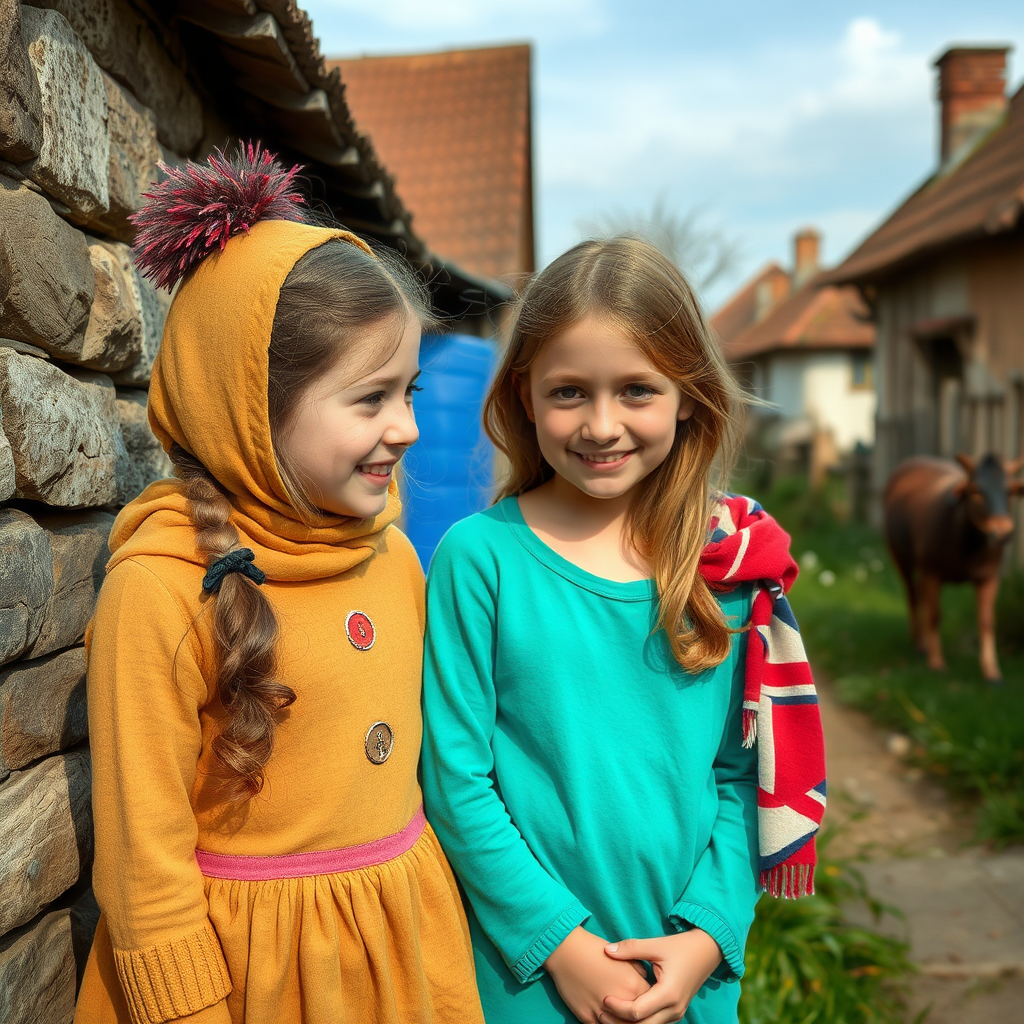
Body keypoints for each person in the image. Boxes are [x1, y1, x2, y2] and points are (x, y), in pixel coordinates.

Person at [74, 145, 484, 1024]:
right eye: (370, 399)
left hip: (400, 956)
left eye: (410, 391)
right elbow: (144, 868)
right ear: (251, 408)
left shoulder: (392, 552)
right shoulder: (162, 589)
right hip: (252, 982)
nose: (408, 428)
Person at [421, 238, 826, 1024]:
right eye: (569, 392)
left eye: (637, 390)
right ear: (524, 396)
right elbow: (456, 782)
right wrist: (561, 948)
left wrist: (707, 937)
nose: (602, 425)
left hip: (689, 981)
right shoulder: (481, 561)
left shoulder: (730, 564)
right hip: (527, 977)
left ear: (689, 396)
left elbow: (747, 778)